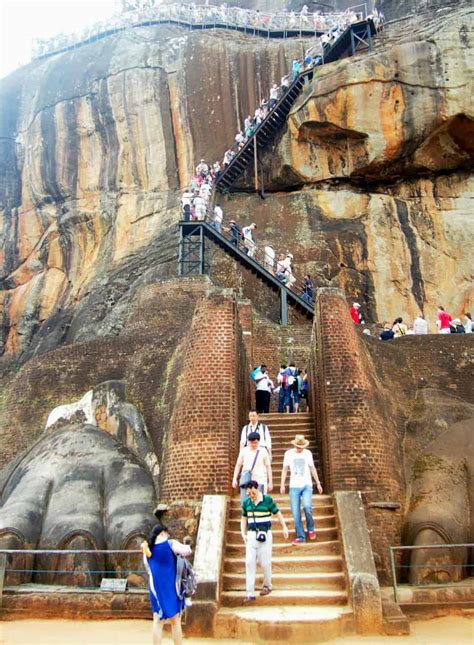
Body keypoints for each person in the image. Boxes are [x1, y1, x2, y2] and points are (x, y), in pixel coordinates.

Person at [142, 523, 192, 645]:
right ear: (163, 533)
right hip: (170, 587)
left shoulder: (147, 549)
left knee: (157, 621)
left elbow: (148, 568)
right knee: (175, 621)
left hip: (155, 588)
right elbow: (187, 550)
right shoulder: (170, 544)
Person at [240, 479, 289, 603]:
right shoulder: (246, 503)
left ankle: (267, 585)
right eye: (248, 493)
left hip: (265, 535)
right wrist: (243, 533)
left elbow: (277, 513)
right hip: (251, 536)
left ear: (257, 489)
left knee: (265, 562)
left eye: (252, 493)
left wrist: (284, 526)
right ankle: (250, 592)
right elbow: (244, 519)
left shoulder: (267, 500)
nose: (251, 495)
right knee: (249, 562)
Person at [280, 435, 323, 545]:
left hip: (306, 485)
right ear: (294, 445)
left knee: (307, 507)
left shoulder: (308, 453)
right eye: (298, 446)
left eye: (302, 447)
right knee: (295, 512)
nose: (300, 448)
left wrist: (318, 483)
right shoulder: (288, 454)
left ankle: (311, 528)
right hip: (294, 486)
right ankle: (300, 536)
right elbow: (284, 469)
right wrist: (282, 484)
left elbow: (312, 468)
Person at [232, 432, 272, 499]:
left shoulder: (263, 451)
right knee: (246, 502)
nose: (253, 444)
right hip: (246, 480)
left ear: (259, 441)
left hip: (260, 480)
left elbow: (268, 467)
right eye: (252, 442)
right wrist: (234, 479)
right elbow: (238, 465)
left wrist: (270, 482)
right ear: (248, 442)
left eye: (255, 442)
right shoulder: (244, 451)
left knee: (259, 502)